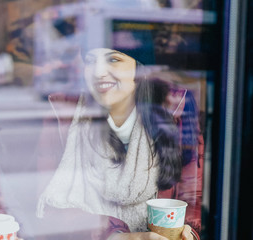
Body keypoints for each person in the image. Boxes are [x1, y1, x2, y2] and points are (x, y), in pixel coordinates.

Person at [37, 46, 203, 240]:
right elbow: (48, 210)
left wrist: (187, 234)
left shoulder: (176, 107)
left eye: (113, 59)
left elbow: (191, 200)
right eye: (90, 60)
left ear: (139, 68)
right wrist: (116, 236)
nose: (98, 72)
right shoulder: (64, 113)